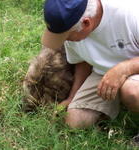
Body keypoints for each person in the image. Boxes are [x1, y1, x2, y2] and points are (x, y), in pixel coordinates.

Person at [41, 0, 139, 144]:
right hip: (103, 74)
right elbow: (82, 61)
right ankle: (115, 108)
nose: (65, 40)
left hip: (133, 67)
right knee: (75, 121)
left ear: (86, 23)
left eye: (67, 36)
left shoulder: (130, 13)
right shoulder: (70, 24)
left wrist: (123, 69)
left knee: (132, 92)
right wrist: (73, 96)